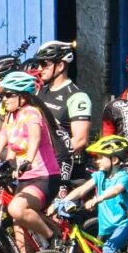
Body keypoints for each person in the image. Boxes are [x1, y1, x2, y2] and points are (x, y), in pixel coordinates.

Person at [0, 70, 60, 248]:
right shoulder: (11, 117)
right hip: (23, 178)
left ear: (23, 97)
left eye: (10, 95)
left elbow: (34, 138)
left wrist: (28, 159)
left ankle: (54, 238)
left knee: (16, 209)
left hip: (44, 176)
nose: (5, 99)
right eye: (3, 95)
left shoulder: (32, 113)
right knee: (21, 240)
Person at [30, 42, 95, 180]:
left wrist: (50, 157)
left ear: (60, 65)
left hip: (67, 170)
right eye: (38, 64)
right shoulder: (39, 92)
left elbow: (80, 140)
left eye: (44, 63)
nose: (40, 69)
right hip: (39, 167)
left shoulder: (77, 97)